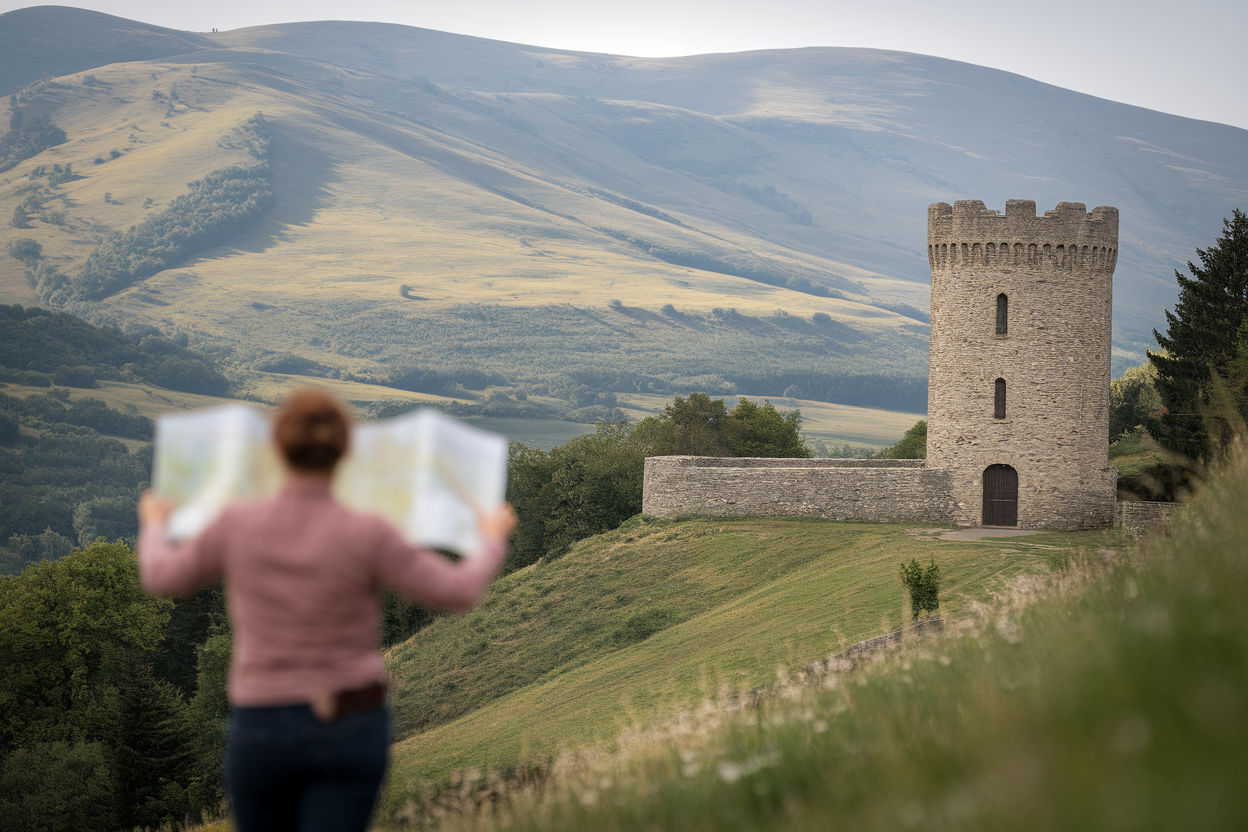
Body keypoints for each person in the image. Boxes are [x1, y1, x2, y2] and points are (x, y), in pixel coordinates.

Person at [137, 389, 516, 832]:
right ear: (345, 452)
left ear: (277, 448)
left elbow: (162, 577)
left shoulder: (236, 522)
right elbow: (458, 591)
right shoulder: (367, 529)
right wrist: (491, 538)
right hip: (349, 721)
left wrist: (155, 526)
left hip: (260, 722)